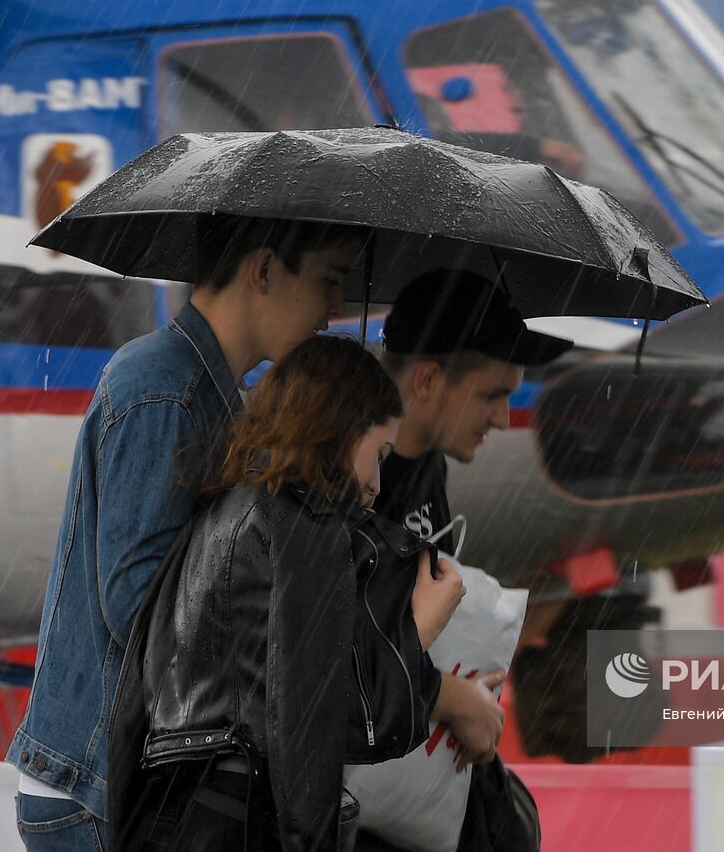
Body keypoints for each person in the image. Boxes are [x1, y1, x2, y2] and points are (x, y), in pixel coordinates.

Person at [7, 216, 362, 850]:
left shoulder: (211, 392)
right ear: (262, 269)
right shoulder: (167, 392)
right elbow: (139, 607)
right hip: (98, 789)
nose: (336, 307)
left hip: (118, 780)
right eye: (328, 280)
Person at [108, 335, 464, 851]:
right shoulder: (305, 528)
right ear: (342, 432)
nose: (378, 485)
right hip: (243, 817)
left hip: (176, 808)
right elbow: (319, 721)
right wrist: (418, 630)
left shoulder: (226, 508)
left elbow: (142, 696)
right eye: (379, 453)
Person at [362, 269, 574, 851]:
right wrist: (448, 698)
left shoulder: (427, 465)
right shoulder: (345, 479)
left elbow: (411, 629)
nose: (504, 419)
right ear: (427, 379)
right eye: (492, 394)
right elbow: (325, 650)